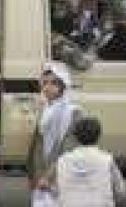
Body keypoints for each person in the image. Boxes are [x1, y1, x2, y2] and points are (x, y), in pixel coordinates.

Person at [27, 61, 84, 206]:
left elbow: (68, 150)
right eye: (45, 83)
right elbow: (37, 147)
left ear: (63, 85)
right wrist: (34, 176)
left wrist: (48, 176)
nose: (47, 87)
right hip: (41, 177)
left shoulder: (73, 112)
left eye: (53, 83)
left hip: (60, 178)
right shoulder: (44, 110)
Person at [56, 117, 125, 207]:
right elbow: (120, 190)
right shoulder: (106, 160)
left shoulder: (62, 160)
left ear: (76, 137)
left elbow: (57, 190)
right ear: (98, 136)